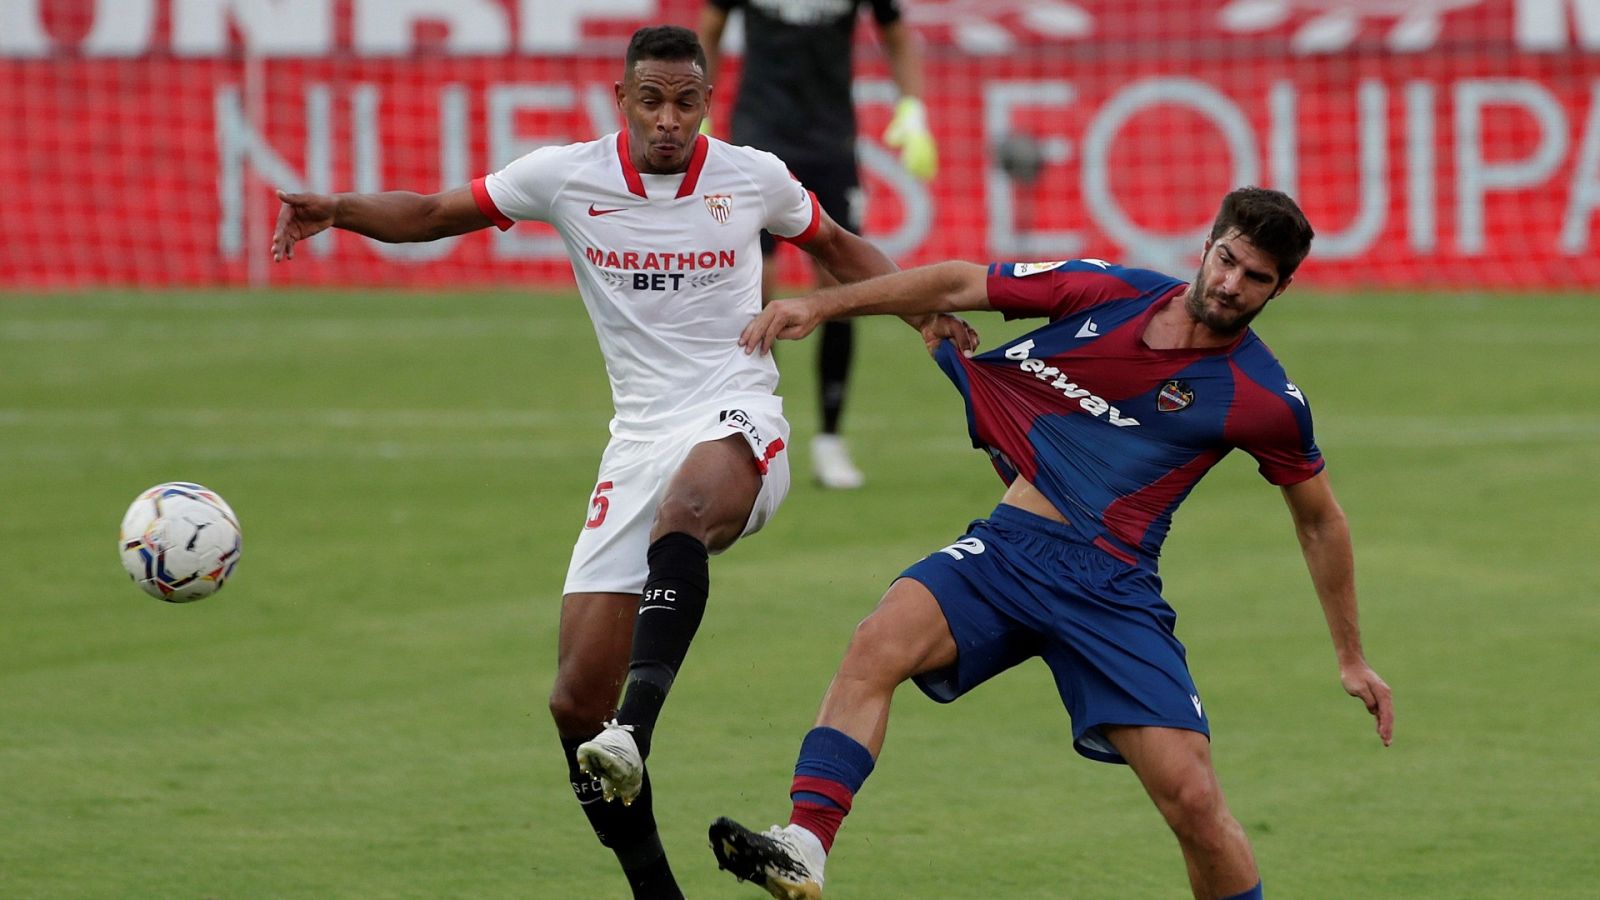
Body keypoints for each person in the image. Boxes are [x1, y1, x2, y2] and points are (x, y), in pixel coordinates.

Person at [269, 25, 972, 900]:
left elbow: (836, 246)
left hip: (736, 413)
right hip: (637, 439)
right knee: (572, 702)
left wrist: (920, 312)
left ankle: (634, 732)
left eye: (686, 102)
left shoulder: (753, 176)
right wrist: (338, 208)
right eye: (652, 101)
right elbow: (432, 215)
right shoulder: (567, 176)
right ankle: (656, 890)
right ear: (621, 100)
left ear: (709, 102)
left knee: (684, 516)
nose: (669, 120)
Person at [708, 187, 1396, 900]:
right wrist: (818, 306)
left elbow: (1320, 519)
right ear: (1208, 243)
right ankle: (804, 847)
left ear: (1280, 287)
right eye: (1227, 259)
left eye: (1256, 277)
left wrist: (1351, 656)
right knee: (876, 643)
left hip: (1111, 589)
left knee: (1192, 801)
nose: (1230, 284)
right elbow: (956, 282)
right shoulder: (1110, 292)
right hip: (1008, 551)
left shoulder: (1265, 397)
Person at [698, 0, 938, 490]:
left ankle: (830, 439)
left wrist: (912, 109)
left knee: (837, 290)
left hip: (830, 141)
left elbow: (895, 33)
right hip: (757, 136)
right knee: (755, 288)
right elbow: (710, 28)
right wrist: (700, 110)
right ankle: (756, 432)